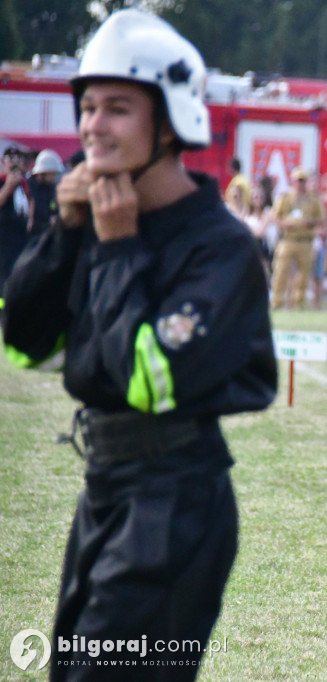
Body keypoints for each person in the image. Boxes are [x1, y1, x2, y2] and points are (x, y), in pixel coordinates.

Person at [0, 8, 276, 678]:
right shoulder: (96, 218)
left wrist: (119, 248)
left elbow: (150, 380)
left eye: (118, 108)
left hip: (175, 501)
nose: (94, 125)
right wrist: (65, 235)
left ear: (173, 117)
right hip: (106, 489)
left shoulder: (221, 248)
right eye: (88, 107)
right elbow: (24, 345)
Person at [270, 166, 326, 309]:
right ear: (293, 181)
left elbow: (321, 219)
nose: (300, 184)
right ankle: (277, 302)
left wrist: (309, 223)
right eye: (298, 181)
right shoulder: (285, 198)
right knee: (281, 272)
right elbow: (275, 217)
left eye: (303, 181)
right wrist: (285, 224)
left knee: (303, 275)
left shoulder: (314, 200)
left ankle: (298, 304)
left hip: (305, 240)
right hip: (288, 239)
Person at [0, 146, 31, 295]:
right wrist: (8, 186)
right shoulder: (2, 182)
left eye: (18, 159)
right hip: (4, 238)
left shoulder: (25, 185)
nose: (15, 163)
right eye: (10, 159)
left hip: (21, 236)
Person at [26, 149, 65, 236]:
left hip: (45, 233)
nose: (55, 178)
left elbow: (53, 206)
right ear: (43, 173)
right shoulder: (28, 187)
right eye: (53, 174)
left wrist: (54, 215)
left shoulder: (51, 188)